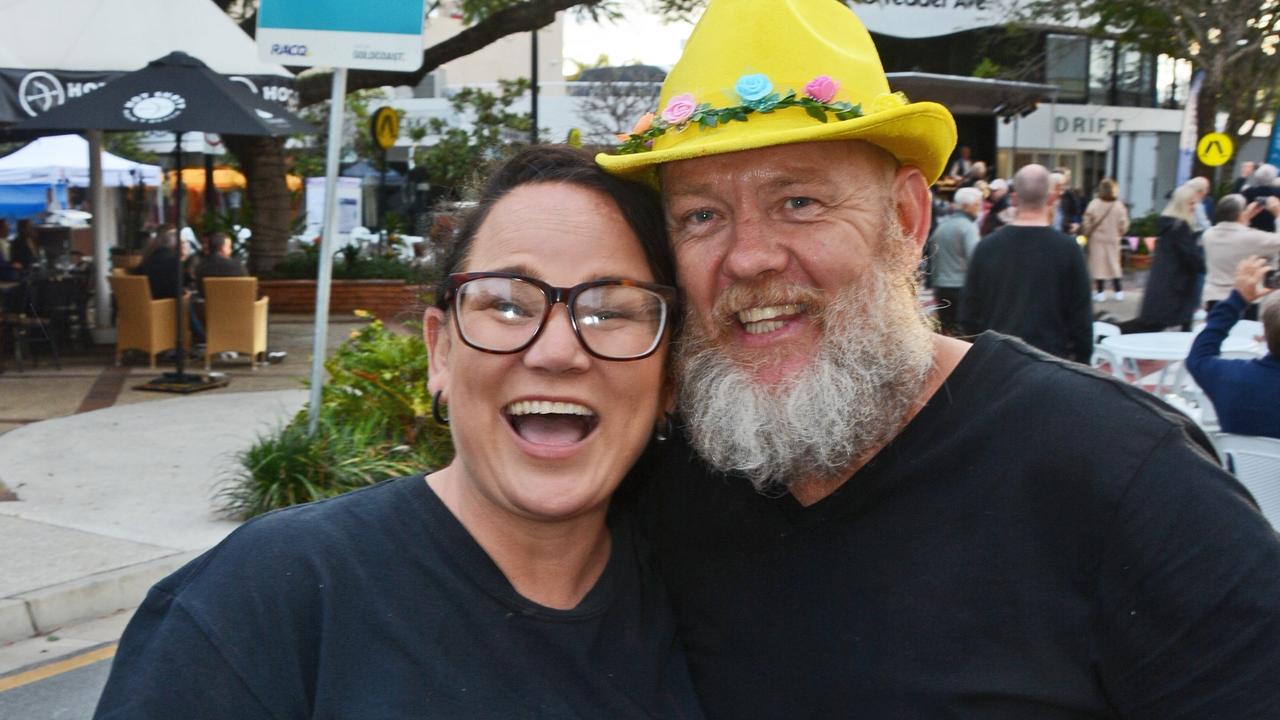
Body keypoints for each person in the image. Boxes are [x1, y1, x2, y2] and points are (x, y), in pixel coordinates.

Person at [597, 0, 1280, 715]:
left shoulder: (1124, 473)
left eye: (798, 201)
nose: (748, 257)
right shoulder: (662, 482)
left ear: (907, 218)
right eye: (701, 216)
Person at [93, 147, 704, 718]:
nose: (556, 350)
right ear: (440, 353)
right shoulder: (263, 600)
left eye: (610, 311)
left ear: (670, 375)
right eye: (509, 305)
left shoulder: (714, 602)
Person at [959, 164, 1094, 361]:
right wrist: (1082, 360)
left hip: (997, 361)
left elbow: (968, 314)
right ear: (1052, 198)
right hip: (1050, 362)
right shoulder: (1068, 249)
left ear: (1013, 197)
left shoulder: (986, 247)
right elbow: (1081, 317)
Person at [1186, 256, 1280, 439]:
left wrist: (1238, 299)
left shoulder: (1229, 377)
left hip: (1241, 468)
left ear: (1266, 333)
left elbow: (1199, 355)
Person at [1122, 184, 1206, 332]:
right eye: (1192, 203)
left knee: (1149, 327)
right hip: (1175, 287)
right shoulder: (1180, 227)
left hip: (1163, 283)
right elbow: (1192, 258)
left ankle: (1108, 332)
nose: (1195, 207)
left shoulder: (1168, 225)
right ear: (1183, 204)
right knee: (1152, 330)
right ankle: (1108, 334)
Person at [1201, 193, 1280, 319]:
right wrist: (1278, 214)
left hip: (1214, 297)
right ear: (1240, 214)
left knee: (1215, 331)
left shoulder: (1208, 234)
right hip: (1244, 299)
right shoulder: (1252, 237)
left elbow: (1234, 232)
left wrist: (1244, 217)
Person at [926, 186, 982, 335]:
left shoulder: (942, 227)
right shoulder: (968, 228)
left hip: (941, 285)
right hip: (961, 286)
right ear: (966, 206)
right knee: (963, 331)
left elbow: (932, 255)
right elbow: (974, 258)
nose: (979, 208)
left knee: (946, 328)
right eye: (977, 204)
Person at [1082, 178, 1131, 301]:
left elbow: (1086, 221)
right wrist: (1120, 232)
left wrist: (1087, 231)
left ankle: (1100, 292)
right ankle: (1118, 291)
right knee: (1114, 264)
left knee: (1098, 265)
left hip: (1097, 239)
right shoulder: (1119, 206)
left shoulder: (1094, 203)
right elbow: (1124, 225)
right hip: (1113, 238)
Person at [1243, 163, 1280, 233]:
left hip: (1249, 229)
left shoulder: (1248, 191)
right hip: (1271, 232)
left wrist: (1244, 175)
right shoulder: (1278, 193)